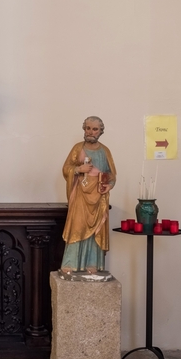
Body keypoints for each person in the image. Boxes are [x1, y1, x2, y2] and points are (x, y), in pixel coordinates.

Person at [61, 116, 116, 278]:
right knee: (77, 227)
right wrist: (79, 169)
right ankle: (70, 264)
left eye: (95, 129)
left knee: (95, 231)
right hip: (80, 196)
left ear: (101, 131)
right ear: (84, 129)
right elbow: (66, 169)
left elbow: (111, 174)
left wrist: (109, 185)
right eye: (88, 128)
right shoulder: (78, 148)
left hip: (98, 197)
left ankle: (93, 264)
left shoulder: (105, 151)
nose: (91, 132)